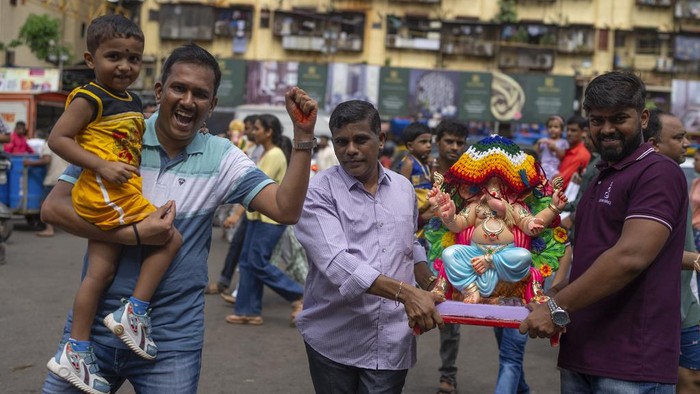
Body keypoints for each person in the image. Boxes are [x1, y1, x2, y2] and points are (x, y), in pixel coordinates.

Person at [41, 42, 318, 393]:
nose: (188, 101)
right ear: (160, 91)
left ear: (212, 105)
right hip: (90, 336)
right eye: (179, 88)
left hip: (172, 342)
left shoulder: (222, 157)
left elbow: (286, 209)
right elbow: (53, 208)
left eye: (200, 94)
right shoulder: (119, 136)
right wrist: (135, 235)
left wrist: (304, 138)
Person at [519, 71, 687, 393]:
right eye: (597, 120)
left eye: (619, 118)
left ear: (643, 118)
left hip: (631, 364)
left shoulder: (658, 173)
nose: (607, 129)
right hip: (581, 352)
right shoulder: (600, 175)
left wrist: (555, 308)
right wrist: (546, 296)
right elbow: (589, 255)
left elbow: (630, 257)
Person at [44, 15, 184, 394]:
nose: (125, 66)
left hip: (119, 192)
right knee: (169, 237)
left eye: (133, 58)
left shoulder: (131, 100)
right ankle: (133, 313)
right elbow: (58, 139)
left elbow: (141, 130)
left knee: (99, 273)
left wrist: (191, 126)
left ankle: (76, 348)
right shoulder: (90, 96)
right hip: (104, 192)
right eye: (114, 57)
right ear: (91, 60)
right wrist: (101, 165)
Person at [294, 100, 444, 393]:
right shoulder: (316, 191)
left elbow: (409, 240)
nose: (350, 149)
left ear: (381, 140)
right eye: (342, 142)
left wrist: (427, 278)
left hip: (392, 339)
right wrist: (407, 293)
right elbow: (337, 263)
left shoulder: (403, 189)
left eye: (361, 139)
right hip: (334, 339)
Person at [225, 114, 305, 326]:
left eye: (257, 128)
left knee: (257, 263)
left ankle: (298, 294)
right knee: (248, 263)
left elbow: (254, 188)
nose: (252, 132)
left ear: (269, 131)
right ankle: (248, 311)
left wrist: (236, 214)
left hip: (269, 220)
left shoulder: (275, 154)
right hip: (257, 217)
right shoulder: (265, 152)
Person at [645, 109, 700, 394]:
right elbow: (641, 252)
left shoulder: (677, 177)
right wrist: (695, 260)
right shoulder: (651, 184)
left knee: (691, 377)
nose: (686, 145)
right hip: (658, 308)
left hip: (686, 300)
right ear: (654, 144)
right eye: (678, 138)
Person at [425, 118, 468, 394]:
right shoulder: (420, 166)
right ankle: (386, 368)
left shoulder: (468, 173)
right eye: (448, 141)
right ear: (437, 141)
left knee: (449, 316)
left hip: (451, 249)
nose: (454, 147)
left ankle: (448, 376)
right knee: (401, 306)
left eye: (459, 143)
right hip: (416, 246)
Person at [23, 128, 70, 237]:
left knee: (45, 204)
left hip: (52, 179)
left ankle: (49, 229)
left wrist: (29, 162)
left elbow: (46, 160)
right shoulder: (66, 143)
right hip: (66, 177)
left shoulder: (50, 143)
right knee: (63, 203)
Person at [399, 122, 433, 218]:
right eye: (423, 142)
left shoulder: (426, 162)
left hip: (428, 203)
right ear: (410, 146)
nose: (429, 145)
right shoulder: (409, 162)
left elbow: (433, 180)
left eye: (430, 142)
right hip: (415, 207)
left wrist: (433, 164)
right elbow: (402, 188)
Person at [557, 115, 591, 190]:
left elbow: (559, 183)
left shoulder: (581, 155)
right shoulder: (566, 150)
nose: (569, 133)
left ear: (583, 132)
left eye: (573, 130)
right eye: (568, 130)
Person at [534, 115, 568, 180]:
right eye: (550, 127)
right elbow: (536, 153)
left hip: (555, 169)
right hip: (543, 169)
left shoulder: (563, 142)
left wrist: (555, 149)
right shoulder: (544, 140)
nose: (552, 129)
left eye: (556, 127)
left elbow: (563, 156)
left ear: (562, 129)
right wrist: (538, 144)